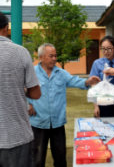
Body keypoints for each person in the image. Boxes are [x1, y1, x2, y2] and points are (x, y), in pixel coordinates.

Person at [28, 43, 100, 167]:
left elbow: (74, 81)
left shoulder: (61, 72)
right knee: (37, 158)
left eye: (55, 56)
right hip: (39, 121)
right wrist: (27, 104)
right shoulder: (32, 73)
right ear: (41, 57)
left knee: (60, 157)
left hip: (57, 122)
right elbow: (22, 89)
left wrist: (88, 81)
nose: (54, 59)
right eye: (51, 56)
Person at [0, 12, 41, 167]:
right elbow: (36, 93)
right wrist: (19, 89)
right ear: (6, 28)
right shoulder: (20, 52)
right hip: (16, 136)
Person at [89, 35, 114, 117]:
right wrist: (96, 106)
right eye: (103, 48)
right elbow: (93, 85)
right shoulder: (97, 63)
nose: (106, 51)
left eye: (109, 48)